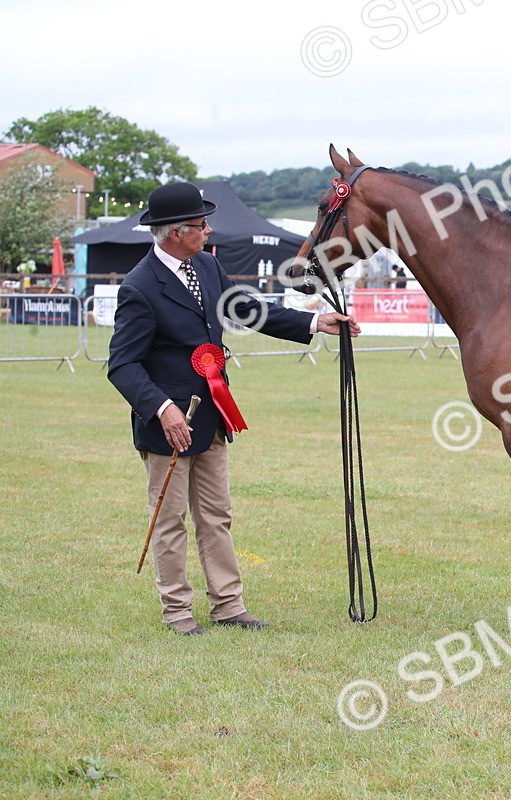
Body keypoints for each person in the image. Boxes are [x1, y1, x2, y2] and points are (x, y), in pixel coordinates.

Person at [108, 182, 360, 636]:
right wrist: (162, 408)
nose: (208, 231)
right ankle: (178, 612)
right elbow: (122, 365)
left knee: (216, 515)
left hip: (212, 417)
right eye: (200, 225)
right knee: (170, 523)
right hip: (170, 427)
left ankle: (228, 605)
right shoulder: (139, 287)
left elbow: (247, 309)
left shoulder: (206, 265)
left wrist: (313, 322)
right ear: (174, 233)